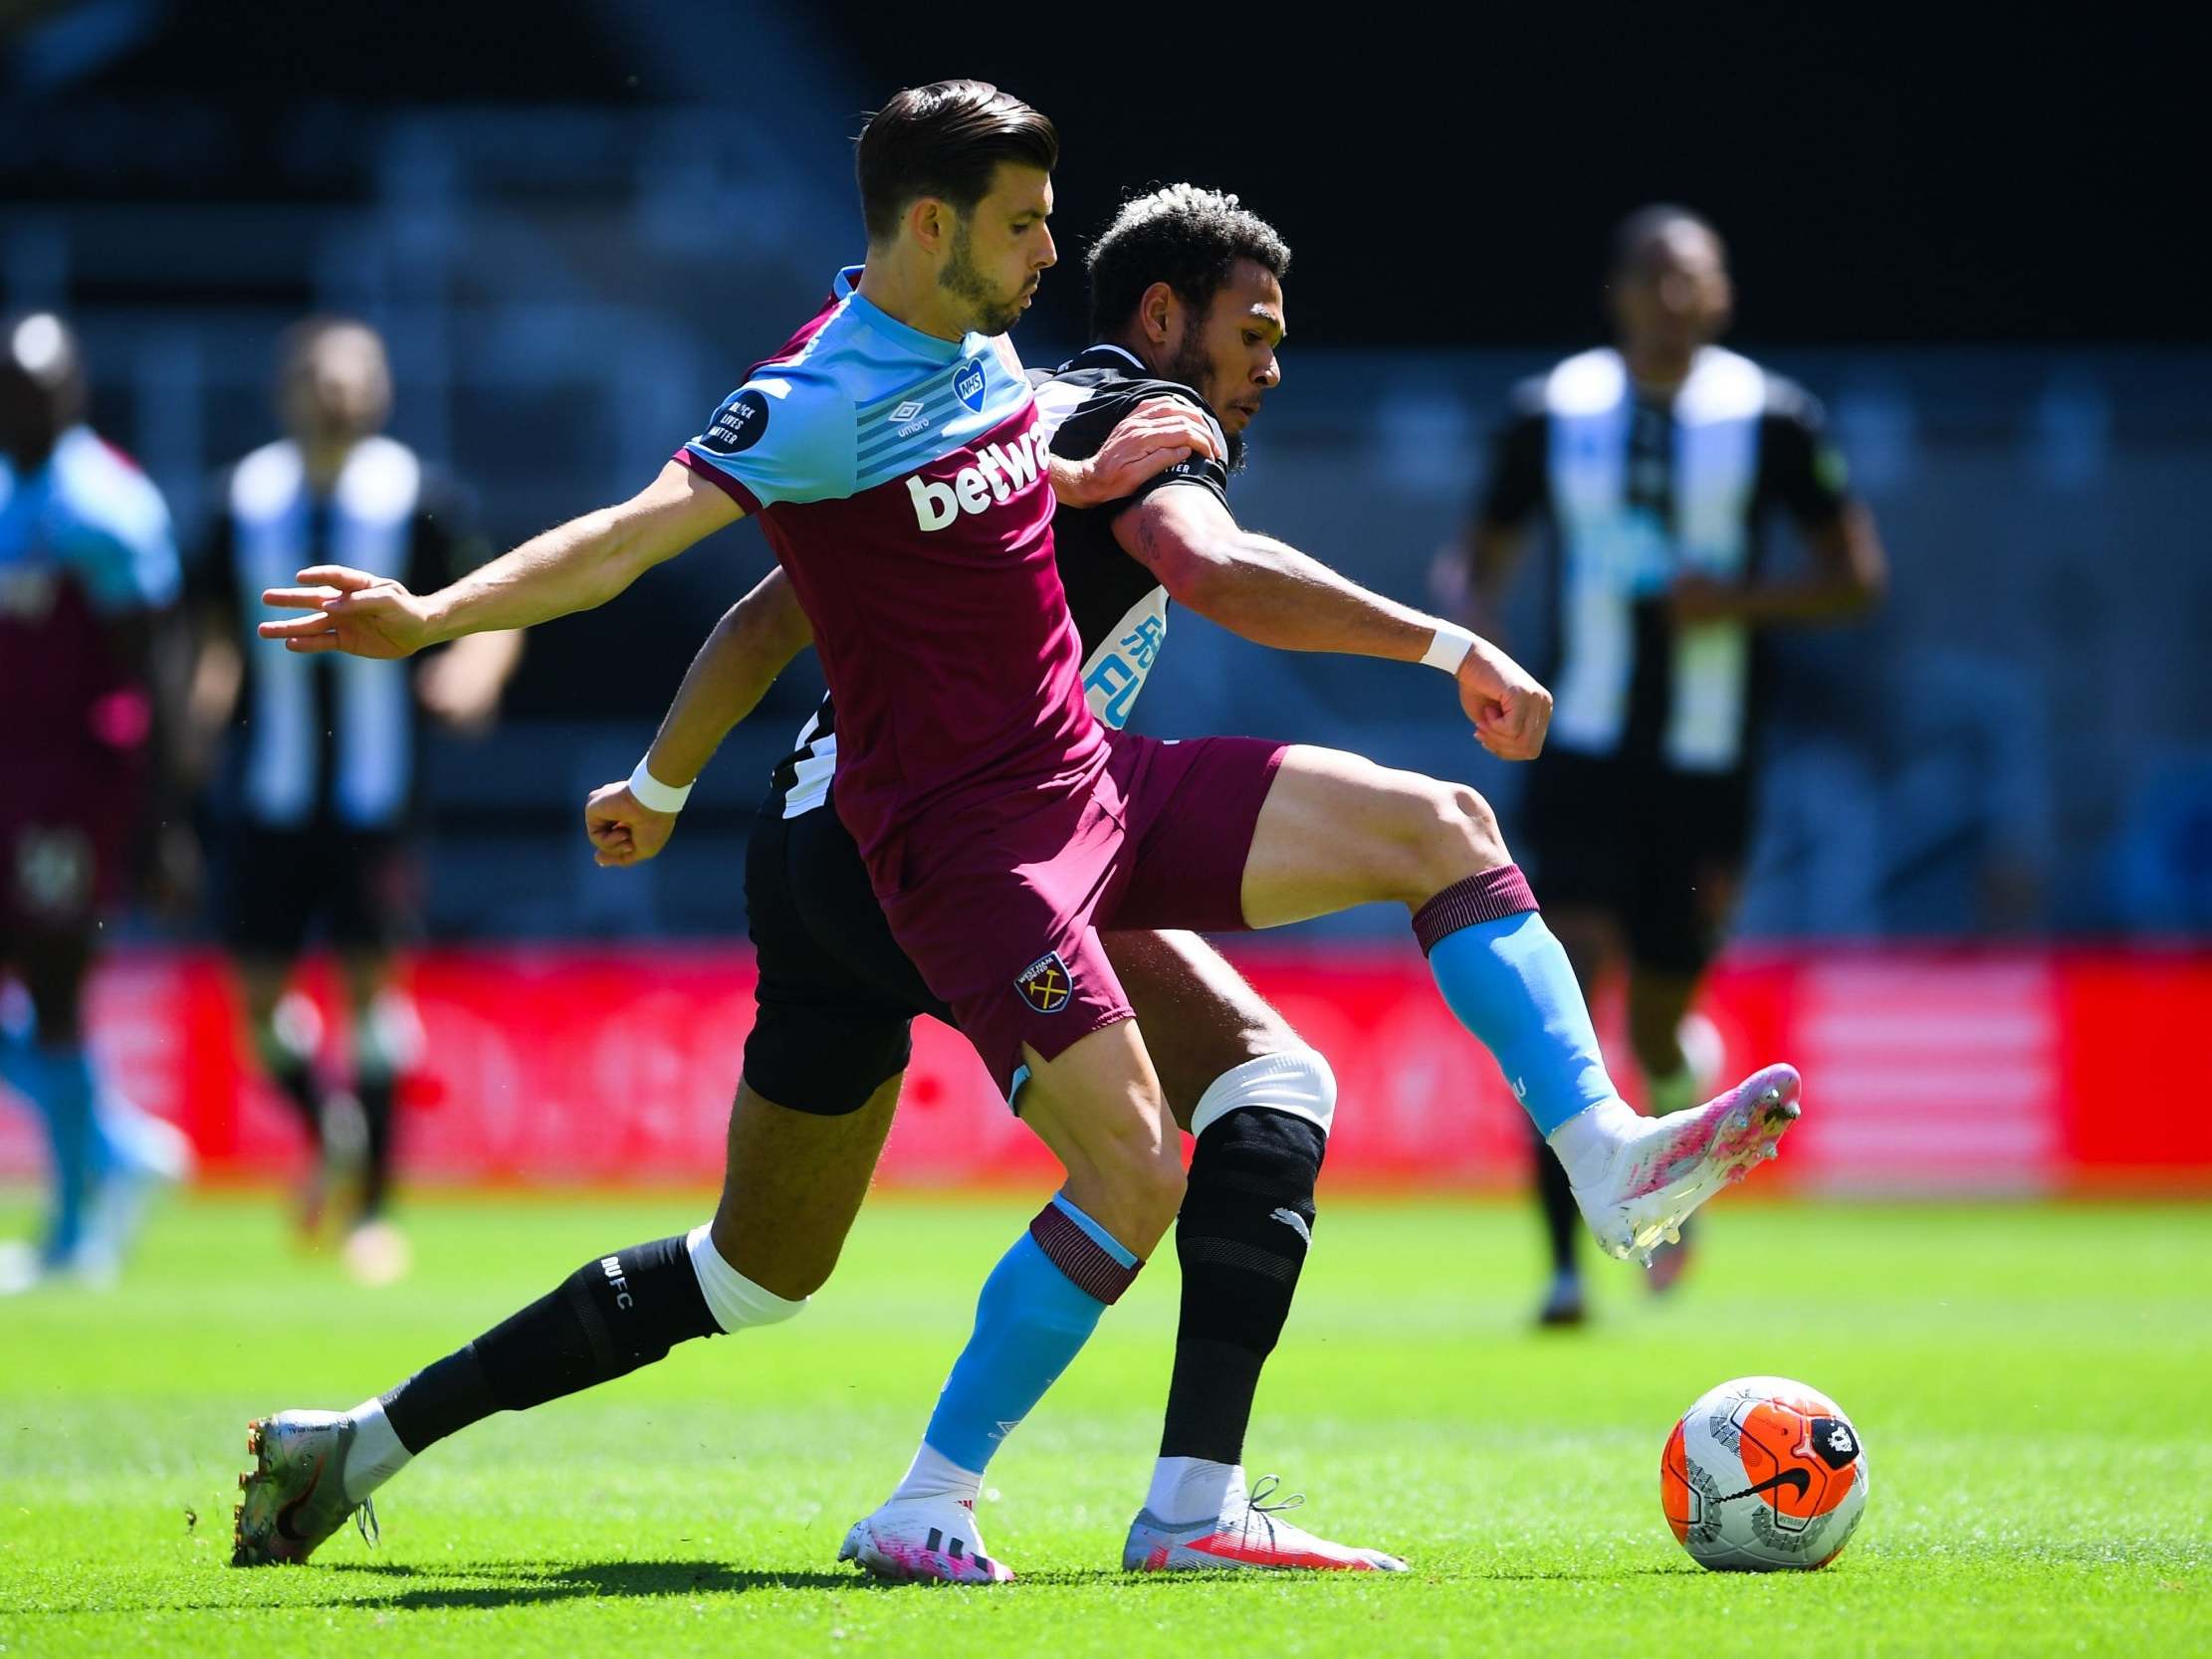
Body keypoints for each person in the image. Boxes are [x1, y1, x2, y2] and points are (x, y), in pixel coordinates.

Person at [241, 83, 1802, 1583]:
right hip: (943, 844)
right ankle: (945, 1495)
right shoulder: (819, 398)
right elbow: (641, 541)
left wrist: (664, 780)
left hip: (1040, 798)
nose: (1053, 253)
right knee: (1126, 1167)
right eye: (1026, 225)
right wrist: (435, 613)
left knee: (766, 1268)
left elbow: (799, 601)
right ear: (934, 227)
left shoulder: (994, 366)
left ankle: (1593, 1163)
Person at [1454, 207, 1885, 1325]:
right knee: (1563, 988)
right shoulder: (1552, 411)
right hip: (1578, 748)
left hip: (1708, 760)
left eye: (1691, 278)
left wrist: (1736, 601)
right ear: (1617, 295)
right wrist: (1471, 646)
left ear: (1722, 297)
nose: (1672, 297)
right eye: (1651, 276)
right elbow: (1479, 556)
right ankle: (1561, 1267)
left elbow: (1853, 574)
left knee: (1652, 1016)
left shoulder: (1773, 417)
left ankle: (1677, 1094)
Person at [190, 318, 523, 1285]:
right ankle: (327, 1127)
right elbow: (210, 631)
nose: (338, 394)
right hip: (269, 787)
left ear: (379, 389)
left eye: (356, 377)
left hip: (377, 791)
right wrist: (194, 723)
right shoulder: (240, 501)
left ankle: (374, 1206)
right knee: (257, 1001)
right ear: (288, 388)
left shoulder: (418, 496)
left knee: (374, 989)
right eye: (321, 378)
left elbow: (494, 600)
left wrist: (477, 669)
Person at [0, 312, 195, 1293]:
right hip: (8, 782)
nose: (20, 408)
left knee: (55, 987)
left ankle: (76, 1230)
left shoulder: (103, 505)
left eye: (35, 390)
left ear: (71, 393)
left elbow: (152, 669)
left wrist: (165, 819)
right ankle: (117, 1148)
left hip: (68, 795)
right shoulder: (5, 493)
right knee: (41, 993)